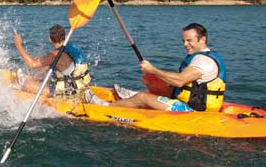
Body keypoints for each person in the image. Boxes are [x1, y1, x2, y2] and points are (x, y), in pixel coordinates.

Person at [86, 23, 226, 112]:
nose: (185, 44)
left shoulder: (203, 60)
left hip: (193, 109)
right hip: (191, 102)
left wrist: (153, 70)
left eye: (189, 40)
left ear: (202, 40)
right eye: (183, 41)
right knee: (156, 85)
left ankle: (106, 107)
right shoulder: (202, 56)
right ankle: (131, 97)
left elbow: (179, 81)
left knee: (142, 97)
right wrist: (155, 79)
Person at [12, 24, 91, 97]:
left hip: (69, 93)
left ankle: (24, 82)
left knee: (27, 84)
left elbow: (32, 64)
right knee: (46, 67)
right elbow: (48, 62)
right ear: (65, 36)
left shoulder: (56, 55)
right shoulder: (71, 47)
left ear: (50, 39)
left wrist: (18, 45)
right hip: (81, 86)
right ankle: (34, 79)